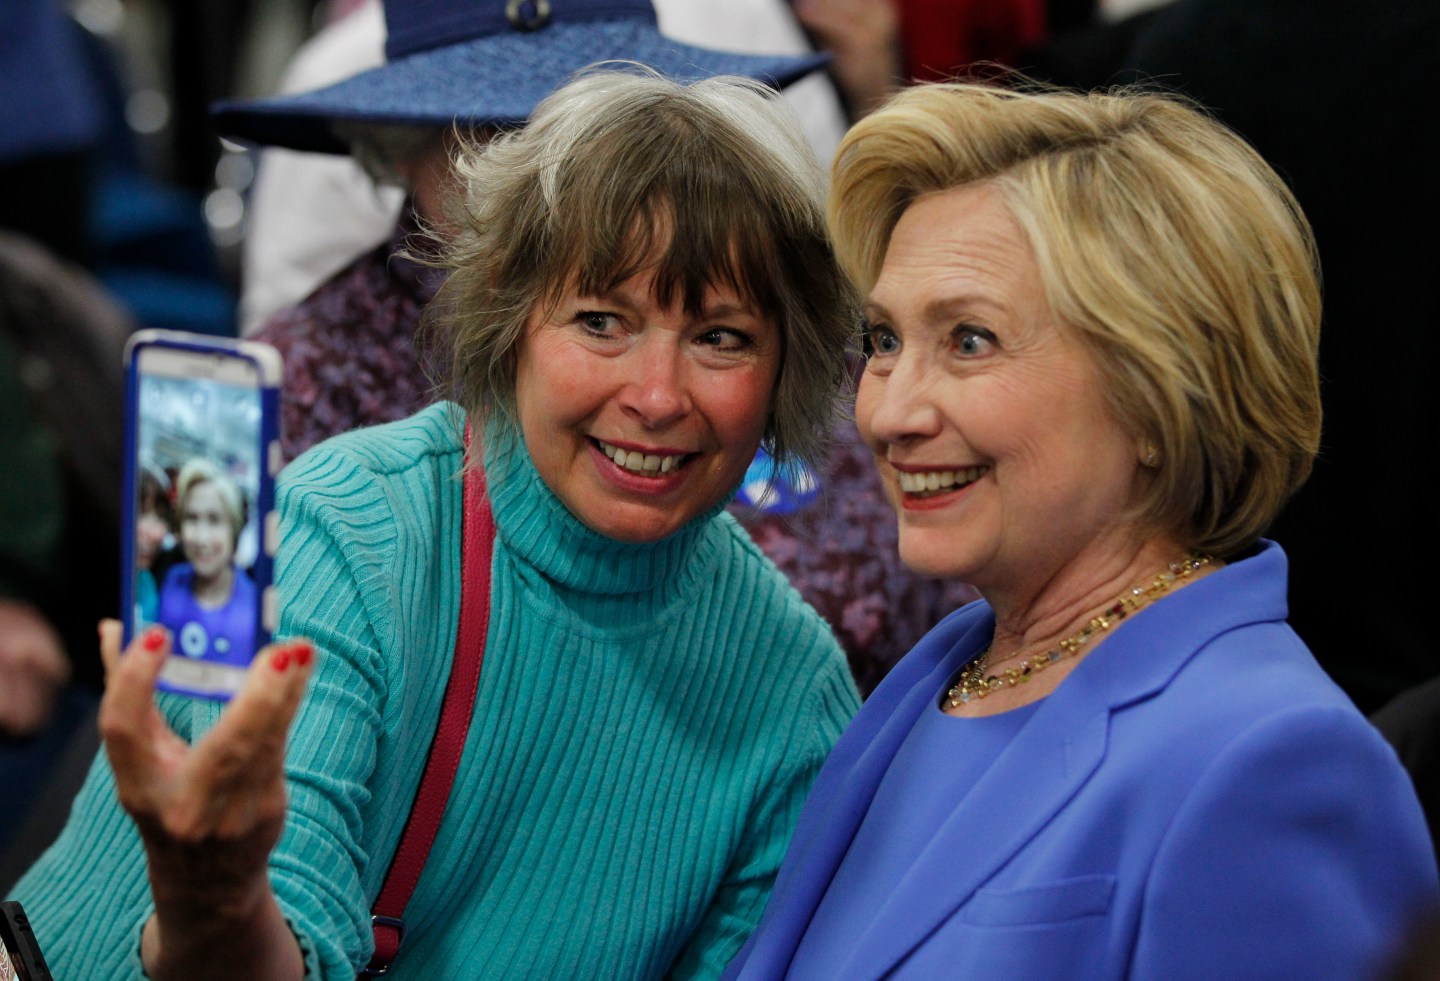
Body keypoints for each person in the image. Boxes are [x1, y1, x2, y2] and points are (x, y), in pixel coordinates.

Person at [10, 67, 860, 980]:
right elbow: (273, 945)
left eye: (720, 337)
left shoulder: (796, 697)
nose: (656, 396)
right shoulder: (354, 534)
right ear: (510, 320)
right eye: (601, 320)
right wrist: (213, 894)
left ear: (788, 369)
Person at [723, 81, 1438, 980]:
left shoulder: (1273, 759)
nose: (889, 411)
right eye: (885, 339)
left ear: (1160, 392)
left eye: (970, 339)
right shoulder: (941, 674)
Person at [216, 0, 974, 695]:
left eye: (607, 132)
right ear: (399, 148)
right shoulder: (292, 390)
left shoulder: (769, 318)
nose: (566, 175)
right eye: (501, 134)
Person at [154, 458, 256, 668]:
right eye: (191, 518)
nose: (201, 538)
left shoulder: (255, 607)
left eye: (215, 520)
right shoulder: (170, 579)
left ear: (234, 529)